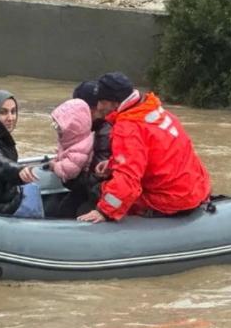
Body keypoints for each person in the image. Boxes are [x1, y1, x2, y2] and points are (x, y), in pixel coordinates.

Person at [76, 72, 212, 223]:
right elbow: (152, 154)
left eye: (102, 102)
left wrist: (104, 211)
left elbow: (128, 180)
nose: (99, 107)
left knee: (96, 193)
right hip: (193, 189)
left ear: (115, 102)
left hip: (170, 200)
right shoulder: (153, 110)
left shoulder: (128, 128)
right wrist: (112, 163)